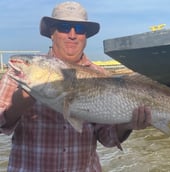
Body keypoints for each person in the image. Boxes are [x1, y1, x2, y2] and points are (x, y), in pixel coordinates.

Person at [0, 1, 151, 172]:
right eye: (64, 27)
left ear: (85, 36)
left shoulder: (102, 76)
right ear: (52, 32)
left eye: (79, 29)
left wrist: (126, 125)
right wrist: (18, 105)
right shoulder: (24, 72)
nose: (72, 35)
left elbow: (107, 139)